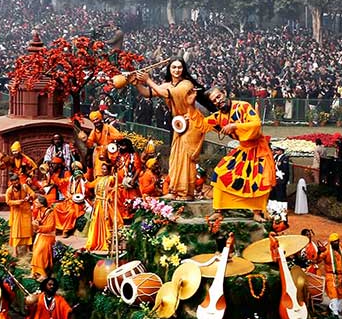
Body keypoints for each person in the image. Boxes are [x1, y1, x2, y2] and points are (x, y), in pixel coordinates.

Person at [193, 87, 276, 223]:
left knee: (260, 179)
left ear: (224, 93)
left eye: (219, 97)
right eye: (214, 101)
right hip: (243, 150)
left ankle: (257, 212)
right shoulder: (219, 116)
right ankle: (219, 211)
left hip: (258, 149)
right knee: (220, 173)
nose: (218, 102)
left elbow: (256, 124)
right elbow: (202, 124)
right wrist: (190, 110)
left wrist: (235, 126)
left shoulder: (243, 106)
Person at [132, 59, 208, 200]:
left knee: (186, 158)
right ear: (169, 69)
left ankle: (186, 192)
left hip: (191, 122)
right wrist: (137, 84)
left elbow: (165, 93)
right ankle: (175, 190)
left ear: (183, 69)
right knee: (175, 157)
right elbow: (148, 93)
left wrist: (148, 80)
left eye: (179, 67)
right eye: (174, 67)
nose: (177, 70)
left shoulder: (186, 84)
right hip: (179, 124)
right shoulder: (168, 84)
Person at [83, 162, 121, 252]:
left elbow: (116, 188)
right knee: (96, 222)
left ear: (108, 170)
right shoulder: (99, 178)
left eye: (105, 169)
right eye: (102, 169)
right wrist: (83, 178)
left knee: (106, 222)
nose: (103, 171)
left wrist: (110, 194)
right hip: (98, 203)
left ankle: (106, 241)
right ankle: (96, 241)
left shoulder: (111, 178)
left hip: (105, 203)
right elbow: (90, 185)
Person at [85, 111, 123, 180]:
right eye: (94, 120)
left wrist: (110, 136)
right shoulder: (94, 131)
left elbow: (120, 136)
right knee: (98, 171)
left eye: (97, 119)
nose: (96, 122)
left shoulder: (109, 127)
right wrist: (85, 140)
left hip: (110, 152)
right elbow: (89, 143)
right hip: (100, 153)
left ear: (100, 119)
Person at [5, 173, 35, 256]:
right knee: (16, 230)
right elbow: (8, 201)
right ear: (11, 183)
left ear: (19, 180)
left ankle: (28, 248)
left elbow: (33, 194)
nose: (16, 184)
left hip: (26, 210)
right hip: (16, 211)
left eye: (17, 182)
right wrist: (18, 202)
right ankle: (15, 250)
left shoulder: (25, 186)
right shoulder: (9, 190)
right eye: (14, 183)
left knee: (28, 230)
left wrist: (30, 197)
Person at [30, 195, 57, 278]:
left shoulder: (50, 213)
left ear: (42, 204)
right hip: (41, 235)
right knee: (35, 251)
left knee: (39, 252)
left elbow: (50, 227)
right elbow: (39, 219)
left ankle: (43, 274)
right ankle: (35, 272)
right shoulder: (40, 211)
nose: (35, 203)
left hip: (48, 236)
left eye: (37, 202)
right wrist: (36, 222)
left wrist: (38, 228)